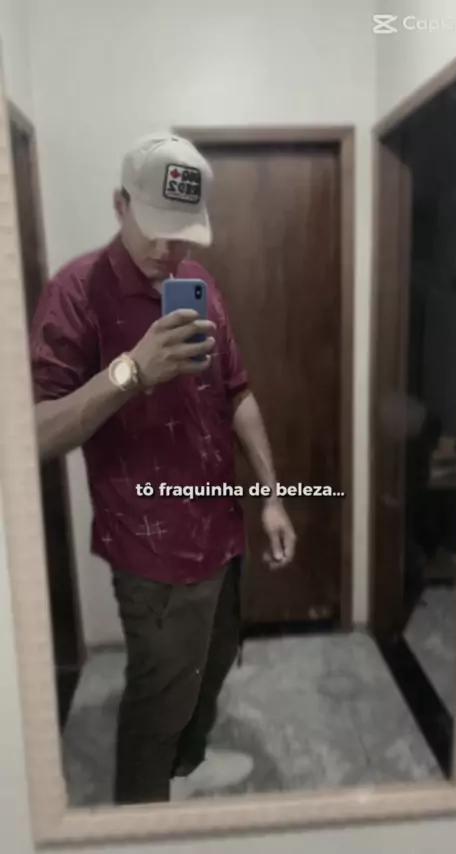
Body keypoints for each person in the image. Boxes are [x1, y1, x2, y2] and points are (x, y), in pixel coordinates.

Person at [30, 131, 296, 804]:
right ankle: (142, 822)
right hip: (151, 557)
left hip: (222, 532)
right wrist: (131, 372)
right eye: (155, 230)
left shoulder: (196, 284)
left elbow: (236, 392)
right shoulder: (76, 294)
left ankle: (186, 765)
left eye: (182, 235)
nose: (168, 251)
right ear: (119, 205)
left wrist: (272, 495)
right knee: (158, 704)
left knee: (213, 666)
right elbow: (33, 432)